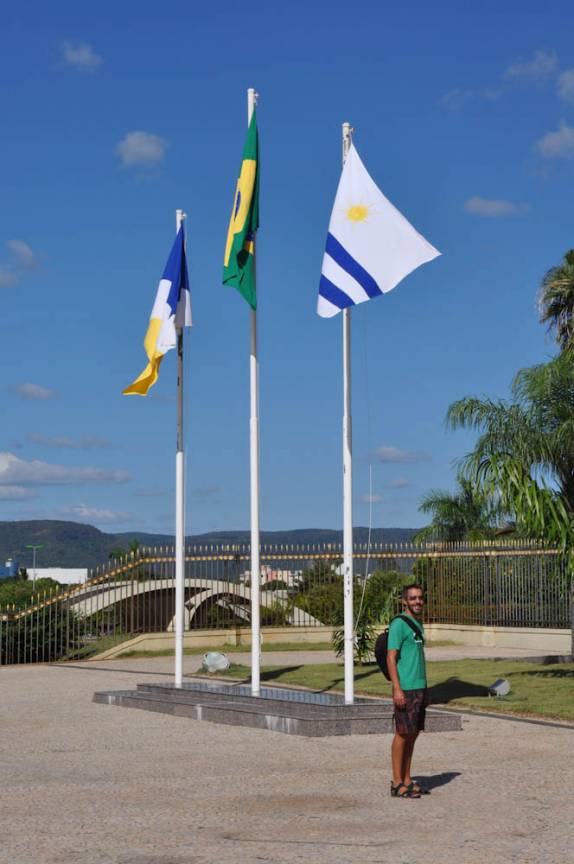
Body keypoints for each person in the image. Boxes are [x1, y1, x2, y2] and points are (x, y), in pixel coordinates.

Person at [387, 583, 429, 799]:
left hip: (419, 686)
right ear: (405, 601)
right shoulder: (399, 625)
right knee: (402, 734)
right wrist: (397, 688)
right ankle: (396, 782)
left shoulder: (417, 623)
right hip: (405, 688)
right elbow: (391, 657)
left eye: (420, 598)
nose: (417, 601)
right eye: (413, 598)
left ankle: (407, 779)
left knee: (413, 734)